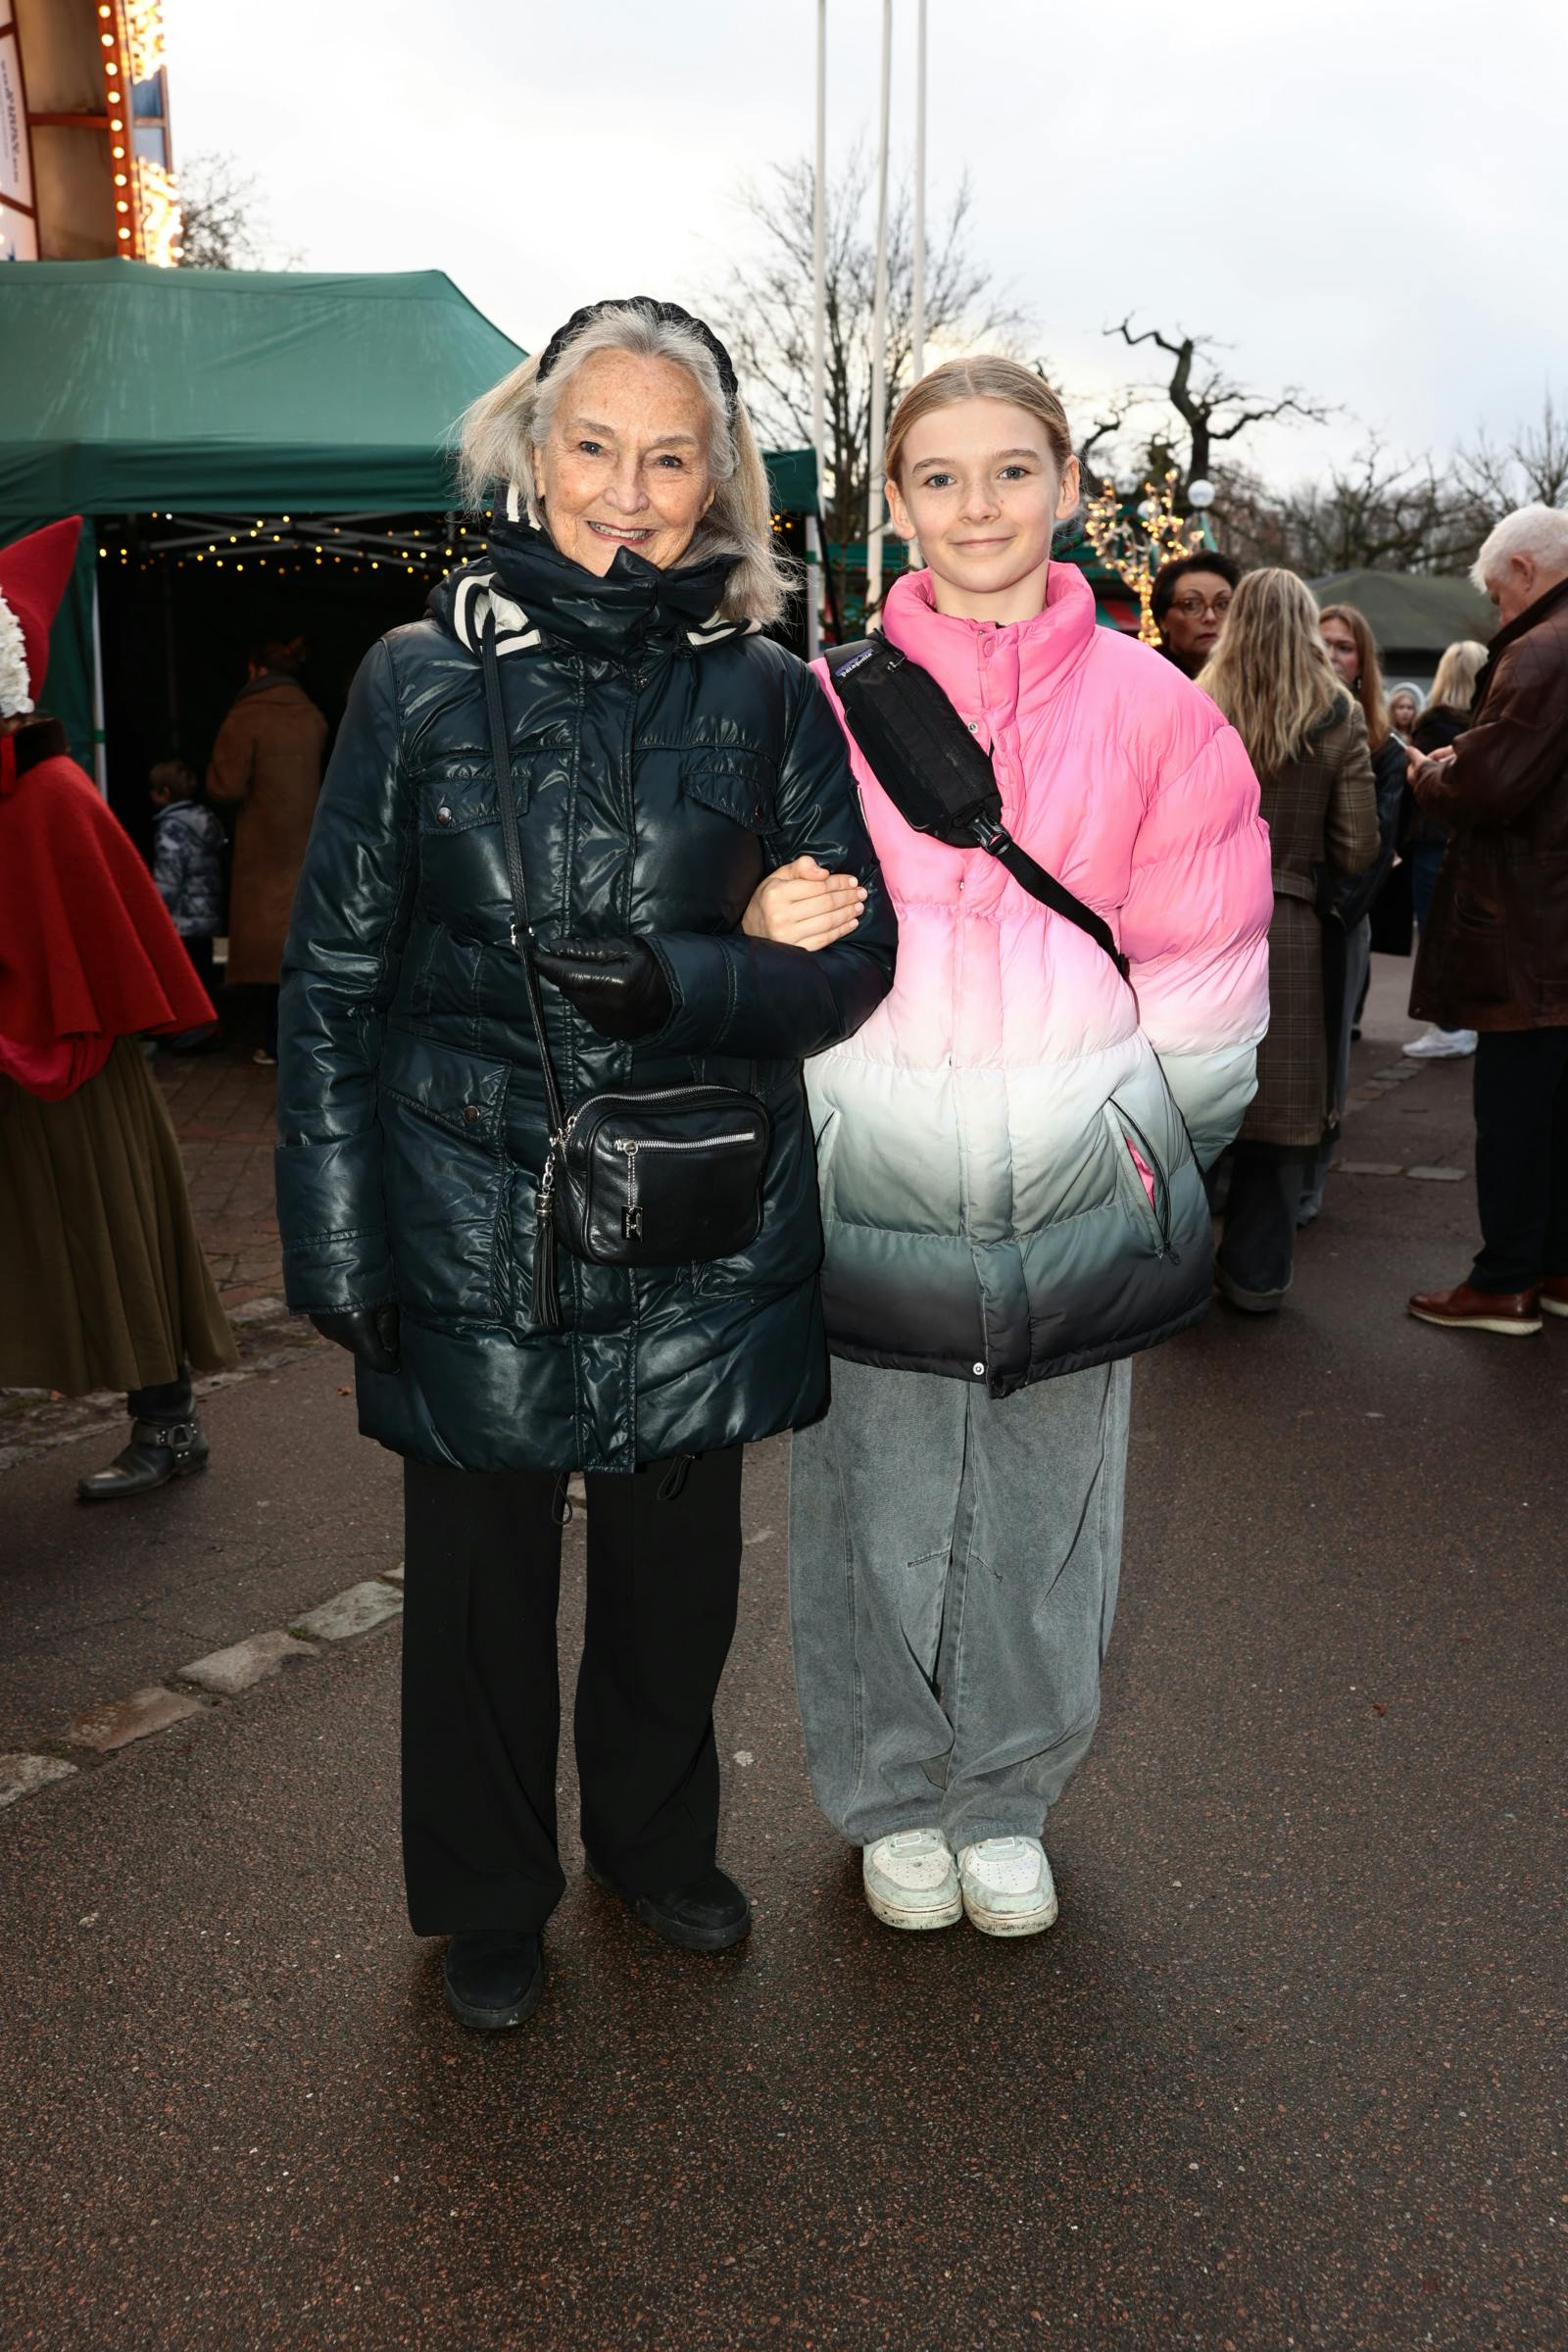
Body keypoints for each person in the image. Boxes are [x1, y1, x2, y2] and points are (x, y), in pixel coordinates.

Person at [275, 297, 896, 2033]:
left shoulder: (770, 695)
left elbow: (856, 963)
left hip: (696, 1208)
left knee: (672, 1583)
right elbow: (334, 980)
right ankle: (487, 1895)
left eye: (670, 457)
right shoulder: (411, 682)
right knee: (476, 1588)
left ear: (720, 491)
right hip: (468, 1209)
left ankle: (657, 1846)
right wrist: (335, 1237)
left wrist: (701, 963)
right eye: (595, 448)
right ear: (531, 454)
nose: (626, 492)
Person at [754, 356, 1270, 1938]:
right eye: (942, 476)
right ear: (893, 503)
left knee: (1050, 1528)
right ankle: (889, 1793)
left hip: (1079, 1184)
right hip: (871, 1177)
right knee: (871, 1520)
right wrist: (750, 918)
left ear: (1063, 486)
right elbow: (729, 916)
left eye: (1011, 471)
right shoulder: (814, 707)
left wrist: (1148, 1164)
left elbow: (1205, 960)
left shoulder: (1162, 713)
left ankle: (1009, 1795)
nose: (978, 507)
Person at [0, 519, 237, 1498]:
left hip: (74, 1068)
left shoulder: (53, 795)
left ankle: (168, 1423)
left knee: (114, 1233)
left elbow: (96, 946)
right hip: (20, 1062)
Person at [1405, 505, 1568, 1337]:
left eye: (1499, 597)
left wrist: (1435, 773)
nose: (1498, 614)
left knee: (1513, 1114)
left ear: (1526, 574)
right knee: (1553, 1111)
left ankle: (1504, 1281)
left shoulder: (1543, 649)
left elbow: (1491, 790)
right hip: (1555, 924)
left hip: (1529, 928)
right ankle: (1552, 1269)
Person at [1198, 571, 1379, 1308]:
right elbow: (1359, 844)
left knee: (1191, 1099)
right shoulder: (1336, 713)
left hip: (1199, 919)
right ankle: (1256, 1275)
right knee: (1275, 1117)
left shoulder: (1196, 701)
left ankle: (1168, 1279)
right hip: (1289, 926)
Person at [1297, 601, 1403, 1224]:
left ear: (1363, 662)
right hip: (1286, 914)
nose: (1333, 656)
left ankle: (1310, 1185)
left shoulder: (1385, 744)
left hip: (1339, 920)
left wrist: (1332, 914)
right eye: (1323, 644)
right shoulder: (1295, 719)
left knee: (1329, 1055)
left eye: (1345, 647)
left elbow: (1375, 848)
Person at [207, 634, 326, 1067]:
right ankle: (301, 1039)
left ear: (256, 669)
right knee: (298, 941)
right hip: (306, 842)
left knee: (264, 953)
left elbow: (225, 785)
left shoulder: (246, 715)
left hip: (261, 849)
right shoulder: (312, 716)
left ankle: (269, 1041)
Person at [1400, 641, 1488, 1060]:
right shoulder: (1488, 728)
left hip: (1433, 841)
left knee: (1437, 932)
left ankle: (1450, 1025)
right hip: (1475, 840)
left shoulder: (1432, 726)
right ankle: (1467, 1023)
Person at [150, 759, 226, 1052]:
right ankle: (208, 1027)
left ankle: (190, 1033)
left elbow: (170, 874)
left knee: (185, 980)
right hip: (206, 915)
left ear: (165, 793)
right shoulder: (205, 819)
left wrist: (157, 911)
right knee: (205, 975)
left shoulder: (172, 826)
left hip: (183, 918)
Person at [1151, 549, 1241, 678]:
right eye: (1191, 605)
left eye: (1223, 604)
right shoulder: (1148, 676)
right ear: (1162, 619)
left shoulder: (1250, 678)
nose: (1210, 617)